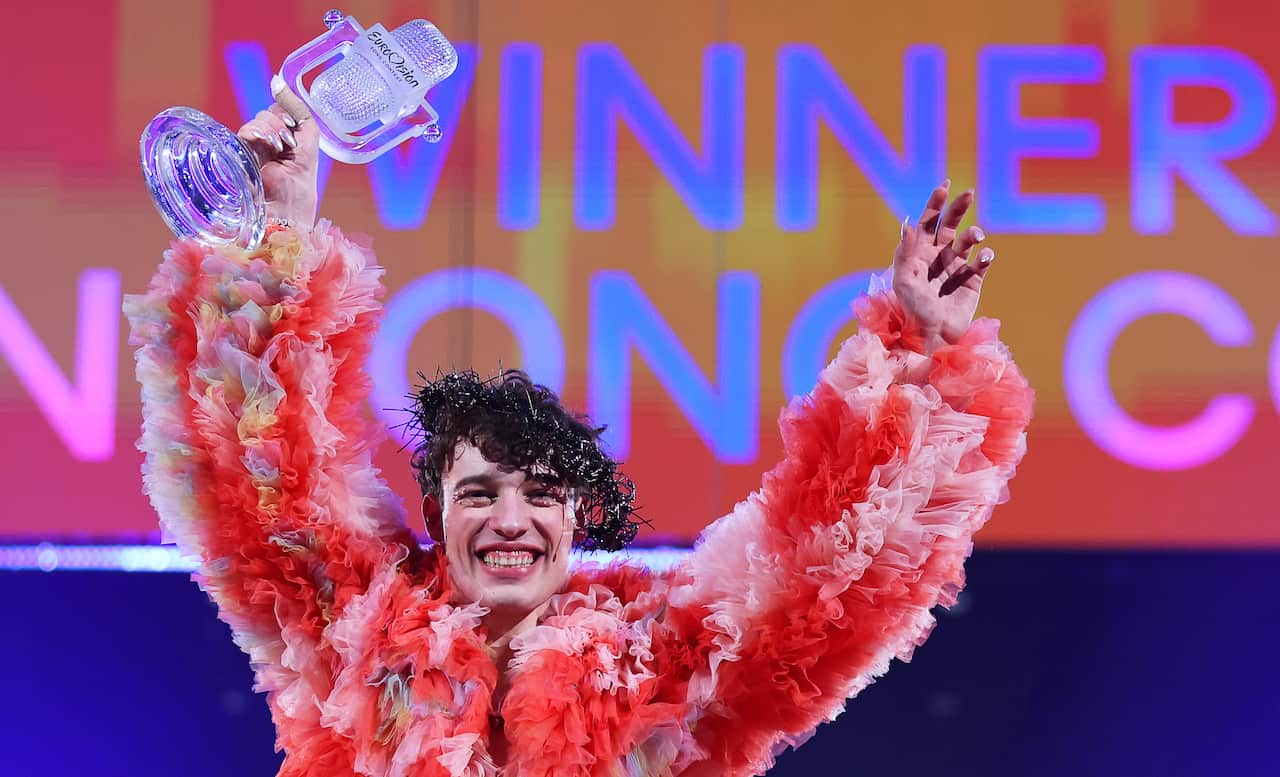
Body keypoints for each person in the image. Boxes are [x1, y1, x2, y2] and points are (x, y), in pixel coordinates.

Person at [124, 77, 1034, 777]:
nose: (510, 519)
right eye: (479, 493)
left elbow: (827, 572)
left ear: (576, 518)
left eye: (540, 494)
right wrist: (276, 235)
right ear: (436, 519)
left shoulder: (662, 663)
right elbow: (258, 483)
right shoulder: (354, 628)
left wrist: (915, 346)